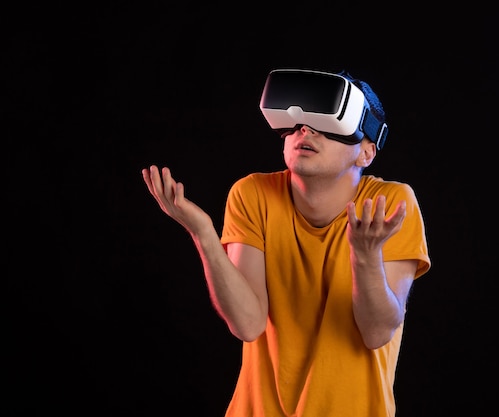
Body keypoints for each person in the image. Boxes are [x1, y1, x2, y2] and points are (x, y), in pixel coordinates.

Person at [142, 68, 431, 416]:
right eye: (296, 124)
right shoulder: (252, 194)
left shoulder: (387, 206)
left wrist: (366, 256)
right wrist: (203, 234)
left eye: (326, 125)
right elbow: (248, 324)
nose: (305, 130)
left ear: (366, 153)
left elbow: (376, 333)